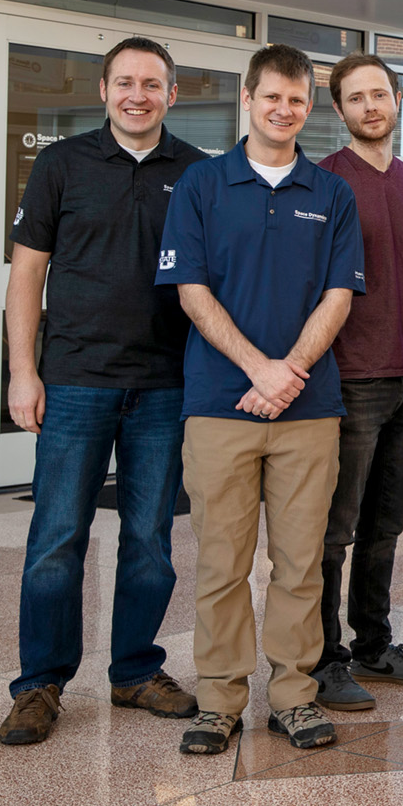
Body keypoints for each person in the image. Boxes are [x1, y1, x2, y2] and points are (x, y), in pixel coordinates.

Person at [158, 44, 365, 755]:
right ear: (246, 99)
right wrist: (257, 368)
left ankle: (292, 696)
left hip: (309, 410)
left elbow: (340, 296)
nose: (283, 110)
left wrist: (291, 370)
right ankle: (217, 700)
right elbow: (192, 291)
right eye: (271, 96)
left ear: (311, 108)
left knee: (302, 562)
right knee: (221, 561)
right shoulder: (200, 185)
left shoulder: (333, 194)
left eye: (297, 100)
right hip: (219, 404)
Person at [0, 37, 206, 745]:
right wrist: (24, 373)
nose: (138, 95)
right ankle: (39, 685)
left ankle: (135, 671)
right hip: (76, 381)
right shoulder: (61, 164)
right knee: (56, 539)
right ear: (105, 90)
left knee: (150, 540)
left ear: (173, 94)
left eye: (152, 83)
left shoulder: (198, 173)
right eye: (125, 82)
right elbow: (26, 274)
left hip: (165, 386)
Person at [308, 52, 403, 711]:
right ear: (339, 111)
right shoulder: (324, 181)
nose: (370, 106)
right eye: (356, 98)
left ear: (396, 103)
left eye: (380, 95)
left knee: (387, 525)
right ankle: (323, 660)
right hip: (348, 383)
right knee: (335, 531)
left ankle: (374, 644)